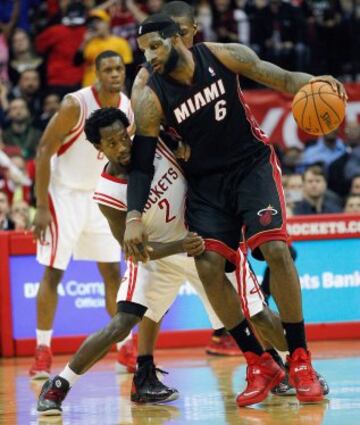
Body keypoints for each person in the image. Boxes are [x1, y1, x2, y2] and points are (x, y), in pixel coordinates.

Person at [124, 13, 346, 404]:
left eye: (155, 46)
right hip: (206, 184)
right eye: (144, 51)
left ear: (178, 38)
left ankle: (300, 358)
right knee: (208, 265)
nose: (150, 57)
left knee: (276, 250)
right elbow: (141, 164)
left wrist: (314, 84)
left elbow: (278, 77)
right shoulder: (151, 98)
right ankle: (258, 361)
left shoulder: (223, 56)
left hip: (251, 167)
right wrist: (133, 216)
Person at [37, 107, 287, 415]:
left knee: (258, 313)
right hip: (159, 256)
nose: (121, 147)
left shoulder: (157, 142)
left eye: (122, 138)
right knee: (121, 324)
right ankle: (58, 386)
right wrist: (177, 245)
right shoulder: (108, 193)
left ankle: (296, 365)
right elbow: (134, 252)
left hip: (205, 243)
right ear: (98, 149)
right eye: (111, 144)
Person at [131, 0, 240, 357]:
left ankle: (232, 336)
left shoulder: (214, 60)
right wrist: (177, 141)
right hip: (175, 178)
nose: (180, 35)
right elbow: (141, 126)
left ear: (190, 32)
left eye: (184, 29)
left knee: (227, 270)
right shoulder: (149, 76)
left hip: (223, 174)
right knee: (166, 286)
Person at [29, 51, 133, 380]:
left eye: (119, 68)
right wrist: (41, 205)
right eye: (108, 69)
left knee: (113, 274)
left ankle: (125, 347)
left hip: (99, 194)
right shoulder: (75, 104)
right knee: (53, 273)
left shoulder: (127, 106)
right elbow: (44, 150)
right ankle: (43, 350)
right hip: (63, 194)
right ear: (95, 73)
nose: (115, 74)